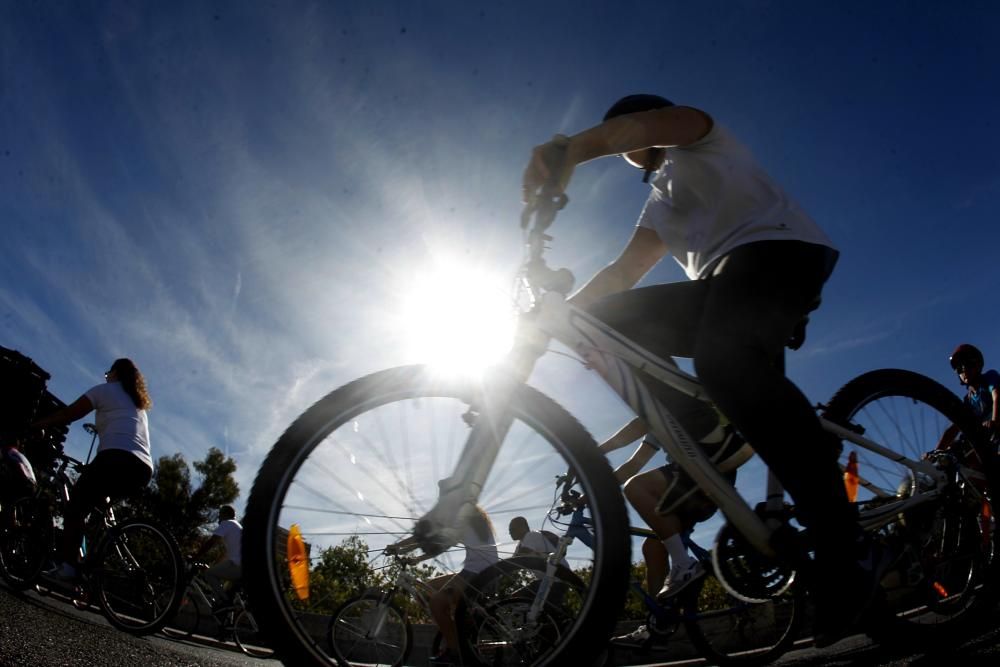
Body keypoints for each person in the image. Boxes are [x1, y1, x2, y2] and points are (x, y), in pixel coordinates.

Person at [522, 94, 870, 646]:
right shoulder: (659, 204)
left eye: (628, 133)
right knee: (600, 325)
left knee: (722, 364)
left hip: (779, 256)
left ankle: (842, 554)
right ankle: (709, 429)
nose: (623, 146)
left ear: (648, 124)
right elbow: (620, 274)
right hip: (723, 291)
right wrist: (553, 325)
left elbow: (629, 131)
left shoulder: (700, 134)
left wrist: (564, 153)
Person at [31, 358, 153, 581]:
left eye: (108, 374)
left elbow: (69, 414)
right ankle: (93, 566)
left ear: (115, 373)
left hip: (115, 458)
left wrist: (38, 425)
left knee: (75, 507)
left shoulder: (105, 390)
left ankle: (69, 568)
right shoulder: (138, 405)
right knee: (97, 507)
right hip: (142, 468)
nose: (106, 377)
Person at [389, 504, 498, 665]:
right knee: (428, 587)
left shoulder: (462, 519)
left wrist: (396, 547)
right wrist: (417, 559)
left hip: (477, 577)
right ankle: (456, 629)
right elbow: (438, 546)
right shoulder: (475, 519)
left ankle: (455, 651)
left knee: (436, 603)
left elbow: (428, 541)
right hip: (482, 574)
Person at [936, 343, 1000, 454]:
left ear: (978, 365)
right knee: (955, 452)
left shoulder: (989, 377)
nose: (964, 370)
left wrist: (994, 421)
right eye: (959, 368)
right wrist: (936, 452)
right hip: (987, 442)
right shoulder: (968, 400)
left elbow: (997, 396)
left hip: (996, 431)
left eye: (968, 364)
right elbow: (954, 428)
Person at [192, 504, 243, 610]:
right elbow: (225, 555)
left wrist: (195, 557)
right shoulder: (236, 526)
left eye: (220, 515)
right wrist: (214, 566)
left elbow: (211, 542)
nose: (219, 518)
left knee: (209, 574)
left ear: (226, 514)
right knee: (225, 590)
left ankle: (224, 601)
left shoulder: (227, 523)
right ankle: (226, 616)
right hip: (242, 566)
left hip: (238, 565)